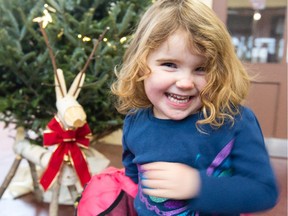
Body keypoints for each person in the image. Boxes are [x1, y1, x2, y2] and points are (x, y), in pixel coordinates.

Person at [110, 0, 279, 215]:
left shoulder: (234, 121)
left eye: (201, 69)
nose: (185, 82)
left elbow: (264, 191)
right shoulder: (135, 121)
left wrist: (196, 186)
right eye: (170, 65)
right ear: (140, 66)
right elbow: (135, 177)